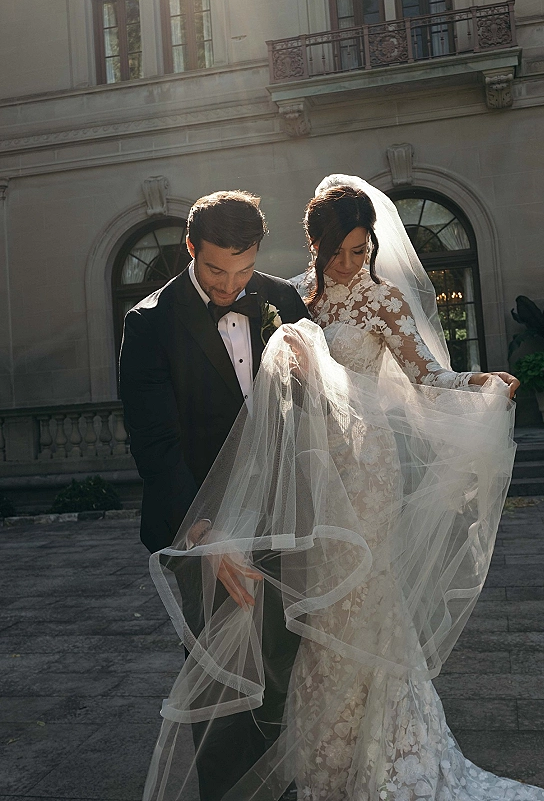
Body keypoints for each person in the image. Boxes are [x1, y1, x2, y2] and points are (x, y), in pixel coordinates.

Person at [141, 177, 544, 801]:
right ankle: (324, 754)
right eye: (338, 250)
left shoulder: (380, 302)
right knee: (311, 613)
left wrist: (475, 382)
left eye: (360, 250)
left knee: (364, 600)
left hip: (366, 472)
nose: (350, 262)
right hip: (308, 478)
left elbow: (426, 375)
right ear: (314, 245)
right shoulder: (294, 301)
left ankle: (385, 746)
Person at [119, 189, 309, 801]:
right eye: (215, 270)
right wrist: (203, 535)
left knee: (283, 668)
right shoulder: (149, 323)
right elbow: (156, 443)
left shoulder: (282, 299)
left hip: (280, 516)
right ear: (190, 249)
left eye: (244, 268)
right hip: (198, 526)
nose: (230, 285)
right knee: (222, 686)